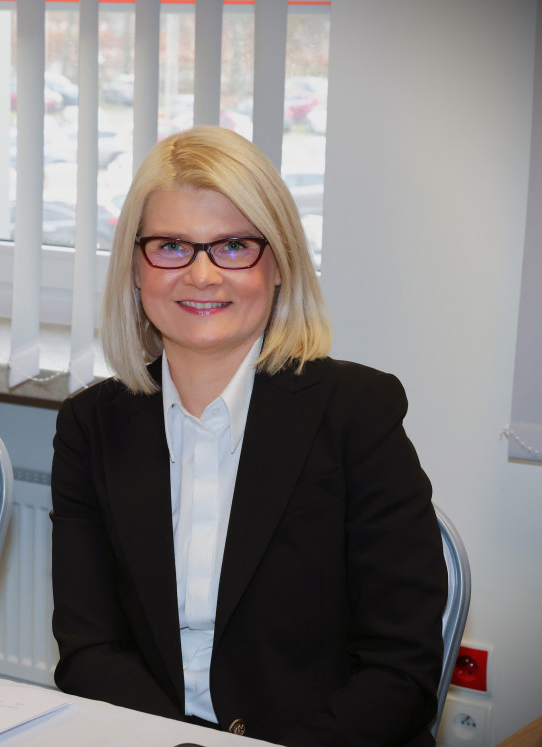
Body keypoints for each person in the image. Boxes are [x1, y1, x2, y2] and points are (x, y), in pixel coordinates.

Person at [51, 126, 447, 745]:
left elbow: (400, 667)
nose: (202, 275)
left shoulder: (358, 413)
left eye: (234, 246)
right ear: (134, 267)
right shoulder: (90, 426)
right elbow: (89, 650)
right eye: (171, 246)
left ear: (280, 264)